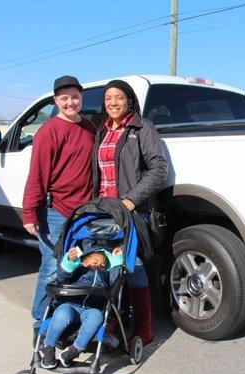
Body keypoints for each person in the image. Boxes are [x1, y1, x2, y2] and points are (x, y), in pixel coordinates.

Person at [92, 79, 168, 346]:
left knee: (132, 265)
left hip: (129, 211)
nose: (113, 102)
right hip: (103, 211)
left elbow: (159, 169)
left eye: (119, 98)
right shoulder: (102, 130)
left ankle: (144, 328)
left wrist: (130, 201)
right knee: (108, 266)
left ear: (129, 101)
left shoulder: (142, 127)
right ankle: (116, 320)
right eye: (108, 98)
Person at [23, 75, 97, 338]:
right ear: (56, 101)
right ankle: (40, 324)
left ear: (81, 98)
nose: (70, 102)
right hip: (55, 212)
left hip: (85, 213)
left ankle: (70, 319)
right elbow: (37, 175)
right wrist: (29, 212)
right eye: (64, 98)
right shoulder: (48, 131)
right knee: (53, 268)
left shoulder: (89, 127)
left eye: (75, 97)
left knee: (81, 268)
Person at [41, 245, 123, 368]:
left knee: (97, 317)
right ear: (84, 261)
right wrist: (70, 261)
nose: (98, 266)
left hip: (91, 309)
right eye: (94, 262)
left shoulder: (105, 275)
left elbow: (114, 281)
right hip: (71, 305)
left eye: (102, 265)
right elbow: (63, 276)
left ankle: (74, 350)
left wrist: (116, 261)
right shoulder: (78, 269)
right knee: (63, 312)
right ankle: (48, 348)